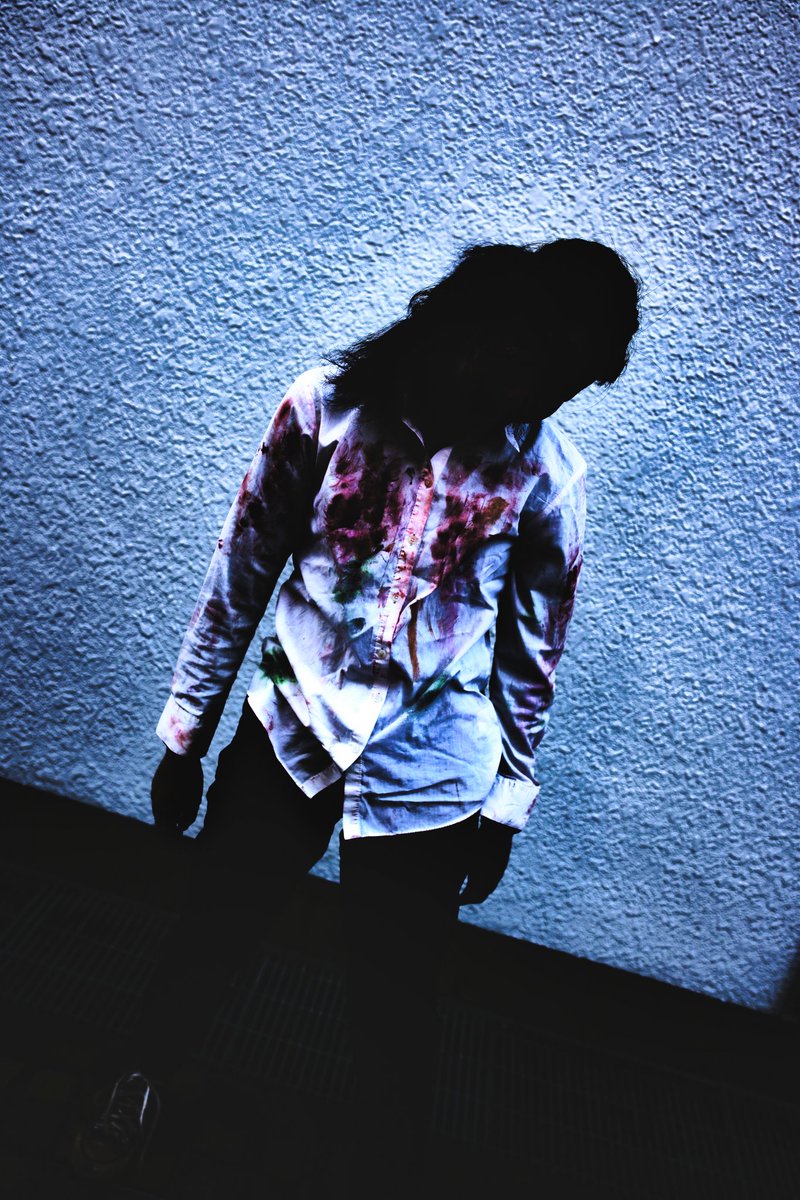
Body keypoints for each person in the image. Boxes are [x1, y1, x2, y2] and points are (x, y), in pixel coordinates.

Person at [71, 238, 640, 1193]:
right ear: (493, 332)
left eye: (572, 390)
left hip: (433, 772)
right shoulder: (324, 409)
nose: (548, 405)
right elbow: (241, 568)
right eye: (549, 373)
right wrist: (186, 733)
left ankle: (384, 1171)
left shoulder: (548, 476)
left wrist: (507, 805)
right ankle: (136, 1087)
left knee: (397, 1006)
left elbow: (532, 654)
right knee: (209, 935)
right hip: (289, 731)